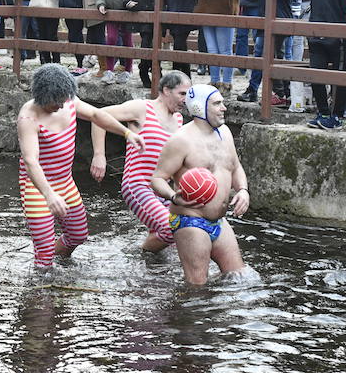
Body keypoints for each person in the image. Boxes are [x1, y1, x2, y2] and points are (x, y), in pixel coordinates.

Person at [18, 63, 146, 268]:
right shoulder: (28, 117)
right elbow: (31, 161)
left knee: (78, 234)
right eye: (56, 102)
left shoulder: (69, 101)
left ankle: (59, 263)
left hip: (65, 182)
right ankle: (43, 273)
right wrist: (49, 195)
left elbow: (96, 115)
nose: (61, 106)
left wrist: (127, 133)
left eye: (63, 100)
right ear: (42, 97)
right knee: (44, 250)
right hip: (37, 187)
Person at [152, 84, 250, 285]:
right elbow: (157, 178)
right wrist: (173, 197)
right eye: (217, 104)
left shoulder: (225, 133)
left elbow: (236, 166)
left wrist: (243, 190)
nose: (224, 108)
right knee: (197, 287)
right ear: (198, 107)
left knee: (239, 277)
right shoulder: (181, 140)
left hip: (219, 222)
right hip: (190, 222)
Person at [90, 71, 190, 252]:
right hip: (137, 185)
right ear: (166, 90)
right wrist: (99, 155)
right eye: (182, 94)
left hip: (163, 188)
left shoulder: (178, 119)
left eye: (188, 94)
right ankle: (142, 253)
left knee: (184, 229)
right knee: (170, 229)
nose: (186, 99)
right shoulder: (142, 108)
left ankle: (150, 262)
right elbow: (99, 116)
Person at [237, 0, 299, 104]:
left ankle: (280, 94)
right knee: (267, 56)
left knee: (269, 57)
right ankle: (277, 93)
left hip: (279, 21)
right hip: (268, 19)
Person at [304, 0, 346, 130]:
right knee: (316, 75)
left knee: (339, 78)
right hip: (316, 38)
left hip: (338, 38)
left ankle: (337, 116)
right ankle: (323, 113)